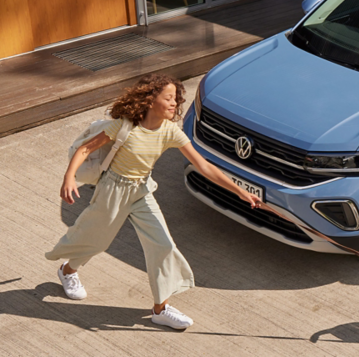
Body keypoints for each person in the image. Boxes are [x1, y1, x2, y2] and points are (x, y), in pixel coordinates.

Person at [47, 74, 261, 329]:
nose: (174, 104)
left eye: (176, 99)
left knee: (163, 244)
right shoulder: (125, 126)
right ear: (150, 101)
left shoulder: (170, 131)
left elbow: (202, 165)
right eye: (168, 98)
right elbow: (85, 149)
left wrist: (238, 190)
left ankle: (161, 308)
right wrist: (69, 178)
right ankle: (68, 270)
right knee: (96, 239)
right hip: (113, 190)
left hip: (141, 191)